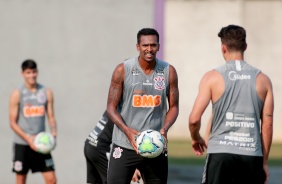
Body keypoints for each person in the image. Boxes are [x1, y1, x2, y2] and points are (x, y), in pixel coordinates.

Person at [188, 25, 274, 184]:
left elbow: (194, 119)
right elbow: (267, 125)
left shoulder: (211, 77)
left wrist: (195, 138)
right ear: (245, 47)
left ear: (223, 48)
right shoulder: (264, 80)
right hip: (252, 156)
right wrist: (264, 162)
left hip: (220, 155)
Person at [106, 28, 179, 184]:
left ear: (158, 46)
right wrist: (127, 131)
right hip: (125, 145)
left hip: (155, 146)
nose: (149, 49)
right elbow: (111, 108)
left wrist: (164, 129)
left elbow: (174, 107)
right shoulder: (122, 70)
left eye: (153, 45)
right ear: (137, 46)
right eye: (145, 45)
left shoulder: (168, 71)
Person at [9, 59, 57, 184]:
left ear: (37, 72)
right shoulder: (17, 93)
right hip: (22, 144)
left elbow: (51, 116)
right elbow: (12, 122)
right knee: (21, 179)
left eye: (34, 72)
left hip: (41, 144)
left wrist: (54, 132)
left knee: (51, 179)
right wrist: (28, 138)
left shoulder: (46, 92)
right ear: (23, 74)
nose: (31, 75)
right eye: (28, 72)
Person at [84, 111, 142, 184]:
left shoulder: (114, 106)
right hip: (102, 149)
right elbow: (125, 138)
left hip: (90, 143)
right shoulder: (127, 109)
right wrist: (132, 168)